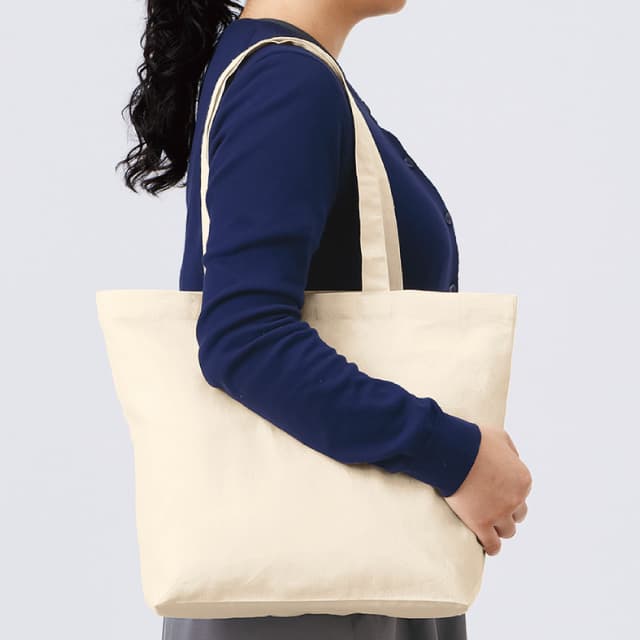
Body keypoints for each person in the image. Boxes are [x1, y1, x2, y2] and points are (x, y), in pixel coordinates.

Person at [116, 1, 532, 638]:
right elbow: (243, 338)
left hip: (327, 585)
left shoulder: (284, 73)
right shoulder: (287, 82)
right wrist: (455, 454)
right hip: (317, 608)